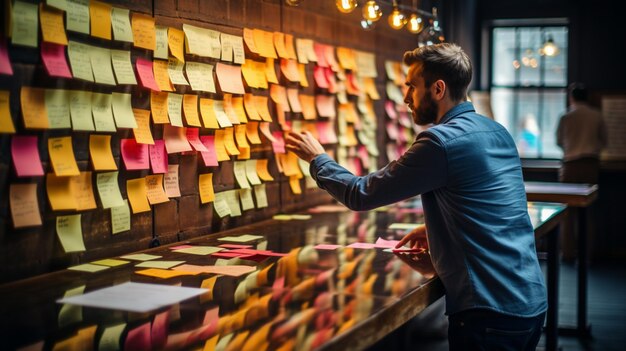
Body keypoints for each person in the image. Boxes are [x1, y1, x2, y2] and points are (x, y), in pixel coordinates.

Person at [286, 43, 547, 350]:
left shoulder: (439, 142)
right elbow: (502, 209)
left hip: (489, 311)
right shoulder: (496, 131)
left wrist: (318, 159)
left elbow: (361, 194)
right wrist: (444, 229)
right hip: (529, 300)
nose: (406, 97)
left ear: (438, 89)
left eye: (411, 86)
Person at [556, 82, 607, 184]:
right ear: (587, 97)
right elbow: (604, 141)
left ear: (571, 98)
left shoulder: (565, 117)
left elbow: (559, 141)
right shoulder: (597, 115)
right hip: (590, 163)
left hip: (570, 163)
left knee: (568, 196)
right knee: (588, 197)